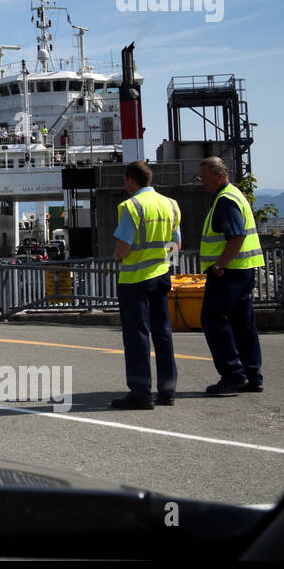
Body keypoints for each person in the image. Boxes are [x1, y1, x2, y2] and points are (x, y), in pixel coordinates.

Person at [110, 160, 181, 410]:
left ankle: (141, 393)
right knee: (163, 334)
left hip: (135, 280)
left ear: (131, 180)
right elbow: (176, 244)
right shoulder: (170, 205)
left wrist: (118, 256)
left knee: (137, 335)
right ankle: (167, 391)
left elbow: (123, 248)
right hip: (161, 275)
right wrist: (165, 265)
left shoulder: (131, 207)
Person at [197, 156, 265, 394]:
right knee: (242, 323)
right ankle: (252, 375)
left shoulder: (225, 200)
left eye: (205, 177)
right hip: (242, 270)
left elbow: (236, 237)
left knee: (213, 319)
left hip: (228, 272)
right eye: (201, 177)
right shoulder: (234, 195)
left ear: (220, 175)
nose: (202, 182)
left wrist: (219, 265)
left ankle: (233, 374)